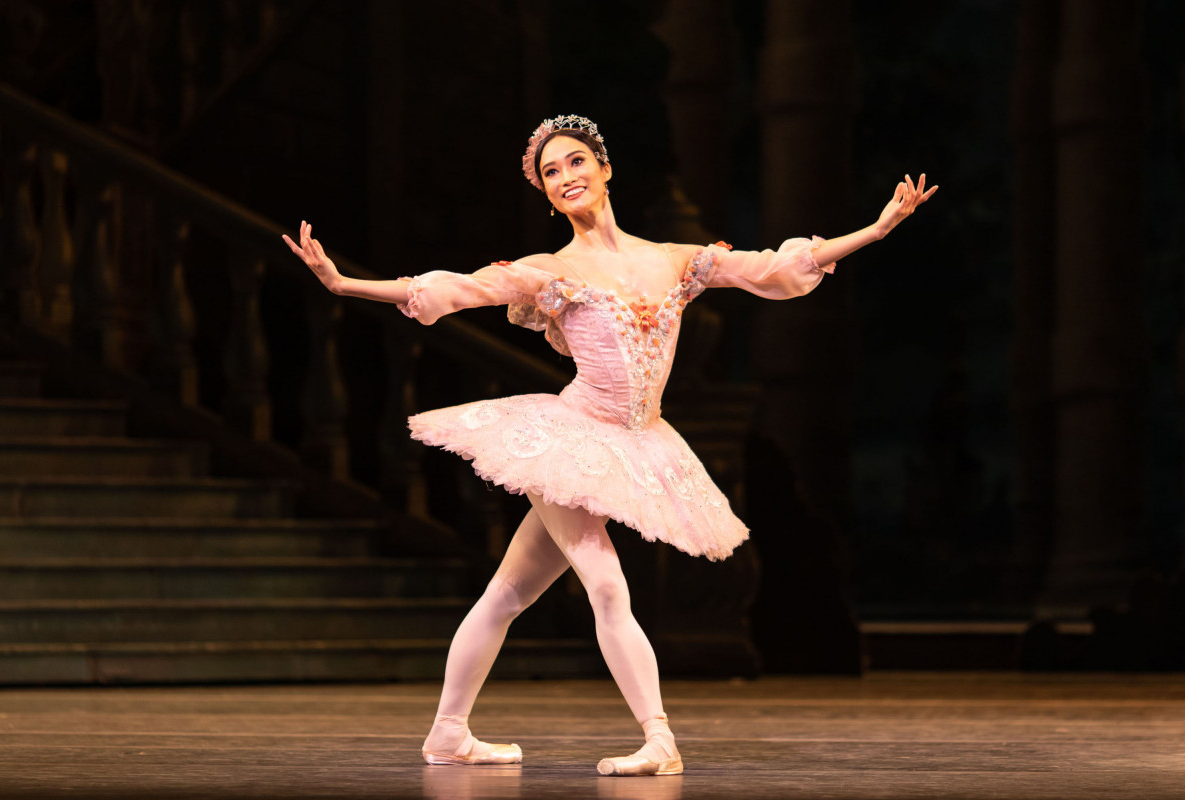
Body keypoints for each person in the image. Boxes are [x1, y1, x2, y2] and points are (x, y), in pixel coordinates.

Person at [283, 114, 937, 777]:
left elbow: (774, 268)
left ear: (604, 168)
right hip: (573, 441)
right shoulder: (550, 272)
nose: (565, 178)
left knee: (506, 597)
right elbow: (455, 289)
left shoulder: (674, 260)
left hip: (638, 440)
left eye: (574, 163)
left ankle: (448, 733)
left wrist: (876, 229)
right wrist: (344, 284)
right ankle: (659, 738)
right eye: (550, 173)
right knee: (606, 586)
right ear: (545, 194)